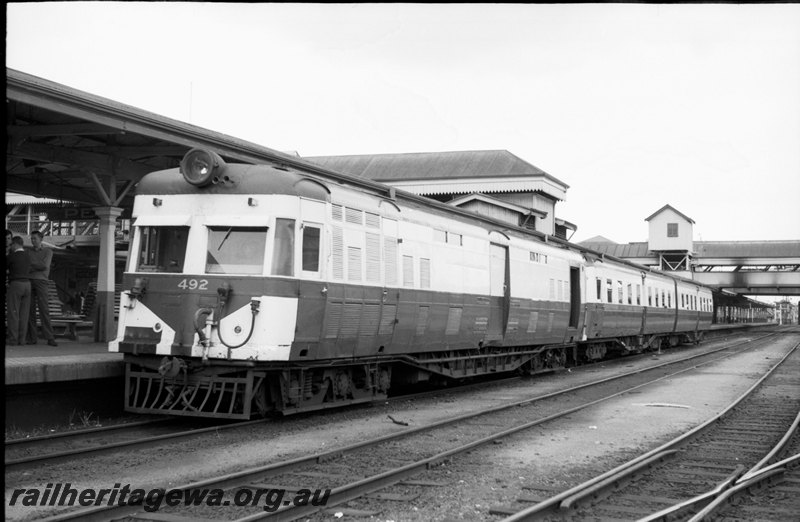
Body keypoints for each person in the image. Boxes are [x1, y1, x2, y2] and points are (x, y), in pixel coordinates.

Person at [27, 230, 58, 346]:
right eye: (32, 238)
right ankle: (32, 338)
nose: (33, 240)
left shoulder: (48, 251)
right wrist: (37, 265)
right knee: (30, 310)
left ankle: (50, 337)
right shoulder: (28, 252)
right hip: (29, 281)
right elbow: (29, 267)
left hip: (42, 282)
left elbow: (45, 266)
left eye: (35, 238)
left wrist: (33, 265)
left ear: (41, 239)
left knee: (44, 309)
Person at [7, 236, 32, 345]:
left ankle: (13, 340)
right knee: (24, 315)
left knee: (13, 313)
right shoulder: (28, 255)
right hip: (27, 285)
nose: (10, 246)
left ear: (16, 244)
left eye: (11, 244)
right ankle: (21, 340)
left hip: (16, 284)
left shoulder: (12, 256)